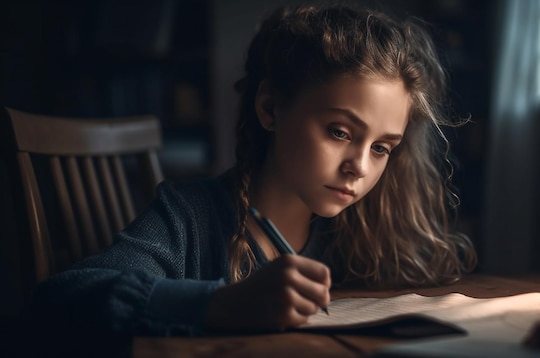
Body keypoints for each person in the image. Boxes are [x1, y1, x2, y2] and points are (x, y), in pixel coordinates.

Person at [24, 2, 476, 356]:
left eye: (381, 148)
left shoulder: (359, 233)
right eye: (340, 132)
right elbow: (58, 301)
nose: (359, 166)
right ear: (271, 109)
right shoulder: (190, 217)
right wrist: (218, 305)